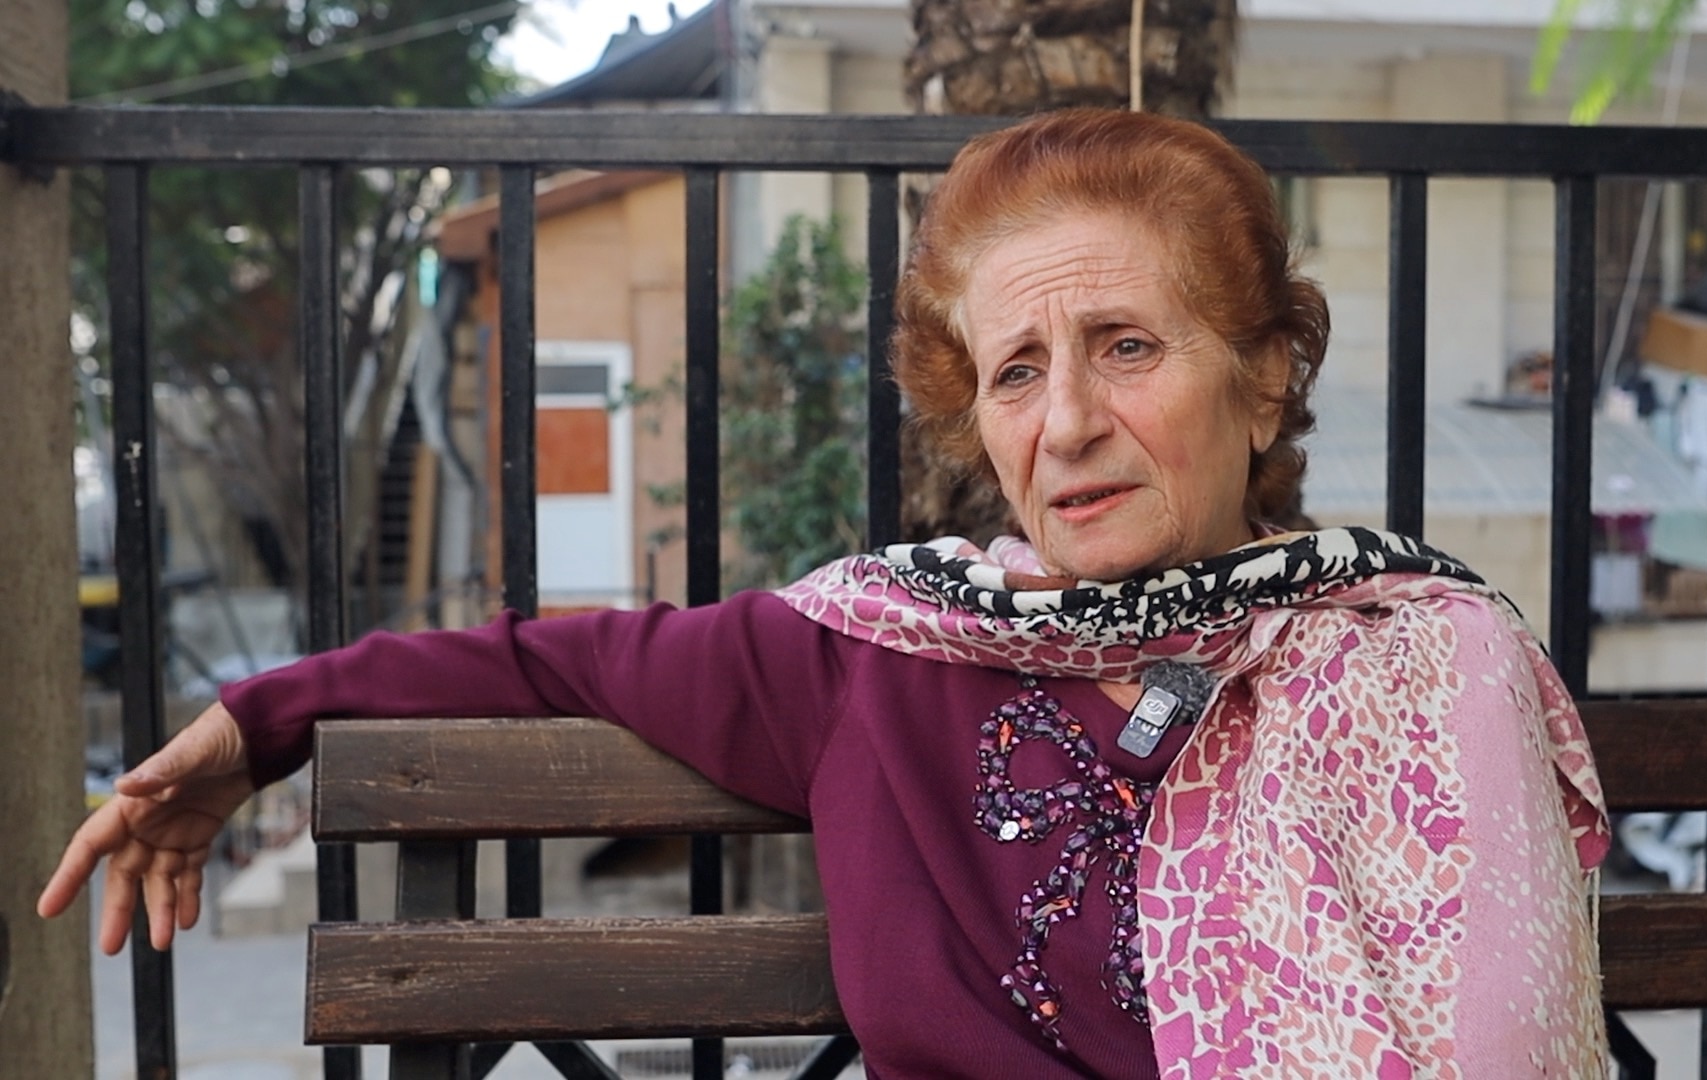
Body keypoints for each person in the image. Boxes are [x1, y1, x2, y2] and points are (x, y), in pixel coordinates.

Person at [41, 109, 1610, 1078]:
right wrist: (262, 727)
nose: (1064, 421)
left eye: (1127, 346)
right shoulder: (878, 649)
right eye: (1014, 371)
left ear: (1265, 379)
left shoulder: (1422, 658)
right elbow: (543, 661)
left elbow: (1514, 1055)